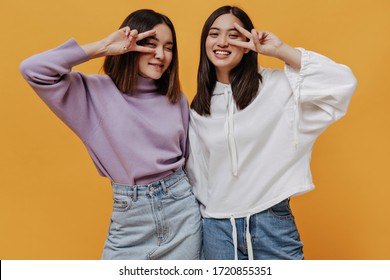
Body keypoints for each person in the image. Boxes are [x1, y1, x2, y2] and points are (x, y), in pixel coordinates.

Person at [20, 9, 202, 260]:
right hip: (131, 220)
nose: (160, 55)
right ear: (130, 45)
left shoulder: (176, 99)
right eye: (150, 45)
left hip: (182, 211)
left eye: (168, 47)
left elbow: (189, 160)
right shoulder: (94, 94)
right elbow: (32, 69)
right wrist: (104, 46)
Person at [186, 5, 357, 260]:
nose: (222, 42)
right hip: (217, 232)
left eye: (233, 35)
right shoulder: (200, 106)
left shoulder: (277, 87)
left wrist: (281, 51)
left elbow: (342, 84)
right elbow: (197, 176)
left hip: (271, 225)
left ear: (247, 43)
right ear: (205, 42)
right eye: (214, 34)